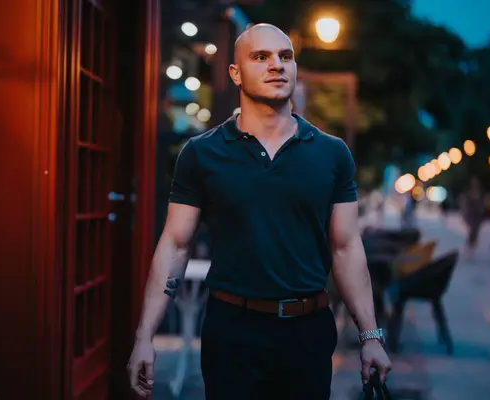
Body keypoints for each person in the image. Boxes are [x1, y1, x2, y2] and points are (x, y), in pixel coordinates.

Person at [127, 23, 391, 399]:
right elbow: (175, 244)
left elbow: (346, 247)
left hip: (307, 330)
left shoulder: (331, 153)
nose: (276, 65)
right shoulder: (202, 153)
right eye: (261, 57)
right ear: (235, 73)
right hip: (232, 329)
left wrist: (370, 337)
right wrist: (144, 337)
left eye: (285, 57)